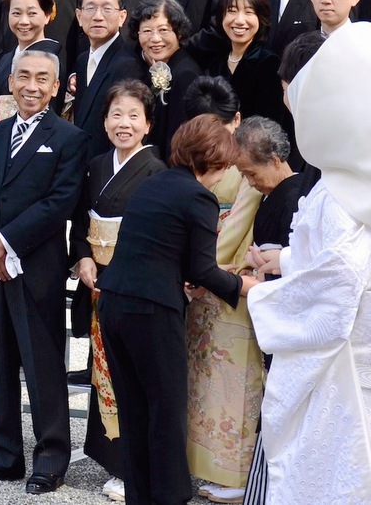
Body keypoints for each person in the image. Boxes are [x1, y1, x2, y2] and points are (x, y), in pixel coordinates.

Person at [246, 22, 371, 502]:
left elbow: (335, 295)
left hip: (347, 371)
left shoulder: (338, 193)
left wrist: (263, 295)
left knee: (339, 480)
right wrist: (290, 261)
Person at [99, 115, 259, 505]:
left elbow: (168, 252)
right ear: (215, 162)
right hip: (152, 312)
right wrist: (244, 285)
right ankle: (169, 497)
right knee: (167, 412)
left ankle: (141, 495)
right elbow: (203, 268)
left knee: (134, 410)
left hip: (114, 302)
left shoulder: (153, 182)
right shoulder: (198, 196)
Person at [0, 49, 89, 495]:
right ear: (11, 82)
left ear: (56, 88)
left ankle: (52, 456)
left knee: (42, 364)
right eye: (24, 77)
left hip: (37, 267)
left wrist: (7, 242)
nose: (31, 86)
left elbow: (60, 203)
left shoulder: (69, 138)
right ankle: (4, 454)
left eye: (42, 79)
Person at [67, 80, 165, 502]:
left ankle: (134, 467)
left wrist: (119, 272)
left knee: (134, 374)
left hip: (132, 285)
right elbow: (79, 220)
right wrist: (84, 256)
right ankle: (111, 457)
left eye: (133, 116)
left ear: (148, 124)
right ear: (104, 121)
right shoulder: (95, 166)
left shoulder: (157, 173)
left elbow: (155, 237)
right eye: (115, 115)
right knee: (102, 370)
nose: (123, 124)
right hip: (97, 281)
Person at [182, 78, 264, 505]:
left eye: (221, 123)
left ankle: (237, 473)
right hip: (201, 280)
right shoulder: (198, 162)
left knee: (234, 380)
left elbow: (237, 221)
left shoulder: (245, 165)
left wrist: (203, 266)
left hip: (230, 276)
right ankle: (203, 464)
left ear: (236, 119)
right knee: (202, 379)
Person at [198, 0, 293, 149]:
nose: (240, 21)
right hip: (217, 153)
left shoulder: (269, 63)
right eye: (232, 11)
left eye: (249, 12)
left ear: (261, 18)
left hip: (255, 155)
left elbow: (272, 124)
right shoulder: (214, 63)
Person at [69, 0, 144, 152]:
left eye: (107, 8)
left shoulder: (128, 65)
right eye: (90, 8)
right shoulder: (82, 60)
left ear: (122, 17)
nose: (98, 16)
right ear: (79, 16)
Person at [131, 0, 203, 158]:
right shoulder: (158, 66)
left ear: (179, 32)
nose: (155, 39)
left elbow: (180, 135)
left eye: (163, 30)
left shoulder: (186, 74)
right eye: (147, 31)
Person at [0, 0, 64, 126]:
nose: (23, 21)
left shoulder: (51, 60)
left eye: (32, 13)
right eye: (16, 13)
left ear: (47, 16)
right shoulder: (8, 58)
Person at [236, 117, 306, 254]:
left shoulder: (295, 198)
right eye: (244, 175)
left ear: (275, 161)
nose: (250, 183)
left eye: (252, 174)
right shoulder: (273, 193)